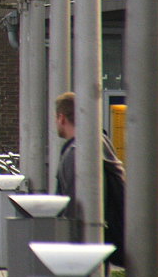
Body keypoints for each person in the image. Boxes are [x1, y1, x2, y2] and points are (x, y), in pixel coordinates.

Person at [54, 91, 126, 265]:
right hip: (106, 236)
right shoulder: (101, 142)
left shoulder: (77, 153)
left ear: (62, 118)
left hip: (86, 244)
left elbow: (73, 205)